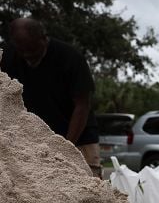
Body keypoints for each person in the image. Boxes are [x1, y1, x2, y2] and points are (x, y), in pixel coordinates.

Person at [1, 18, 101, 178]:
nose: (28, 55)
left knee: (89, 184)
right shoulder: (8, 57)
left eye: (33, 50)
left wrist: (65, 146)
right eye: (22, 51)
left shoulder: (71, 58)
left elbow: (82, 105)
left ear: (44, 38)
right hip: (35, 141)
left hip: (79, 137)